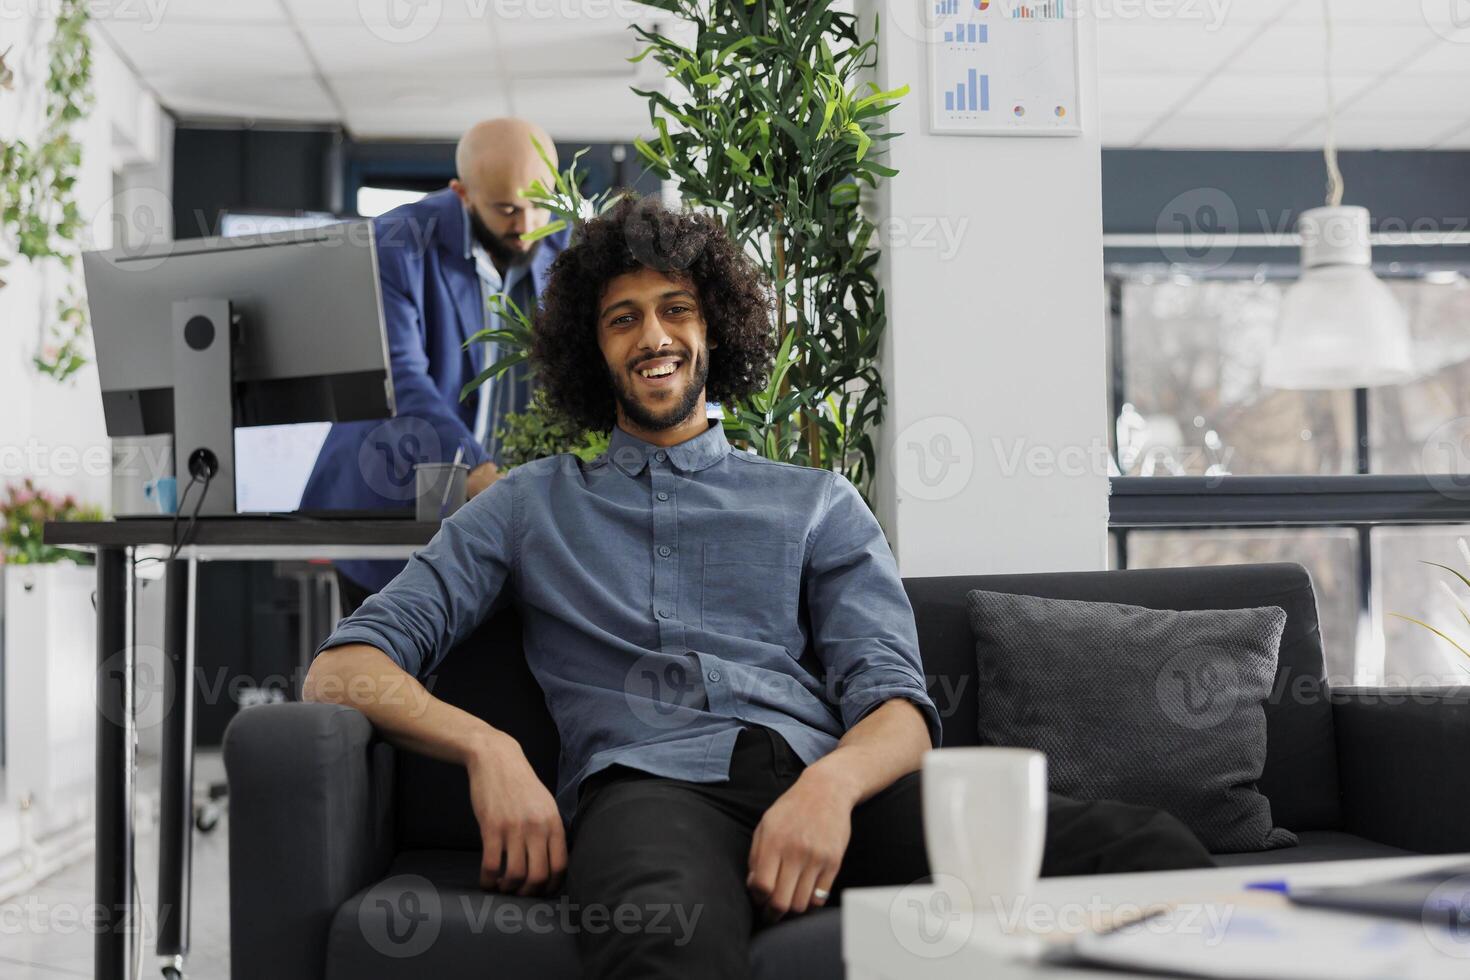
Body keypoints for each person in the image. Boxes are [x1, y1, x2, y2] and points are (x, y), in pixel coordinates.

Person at [302, 196, 1213, 979]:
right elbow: (341, 670)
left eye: (675, 310)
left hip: (827, 785)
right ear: (594, 350)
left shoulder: (815, 501)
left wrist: (828, 794)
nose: (653, 336)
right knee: (661, 935)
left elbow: (895, 703)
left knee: (1151, 855)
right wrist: (490, 751)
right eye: (622, 319)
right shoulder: (527, 505)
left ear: (713, 331)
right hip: (645, 794)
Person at [299, 117, 569, 610]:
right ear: (461, 193)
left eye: (539, 204)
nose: (527, 225)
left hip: (508, 524)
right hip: (390, 504)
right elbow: (397, 379)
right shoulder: (394, 243)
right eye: (507, 208)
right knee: (380, 678)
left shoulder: (568, 245)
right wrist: (477, 469)